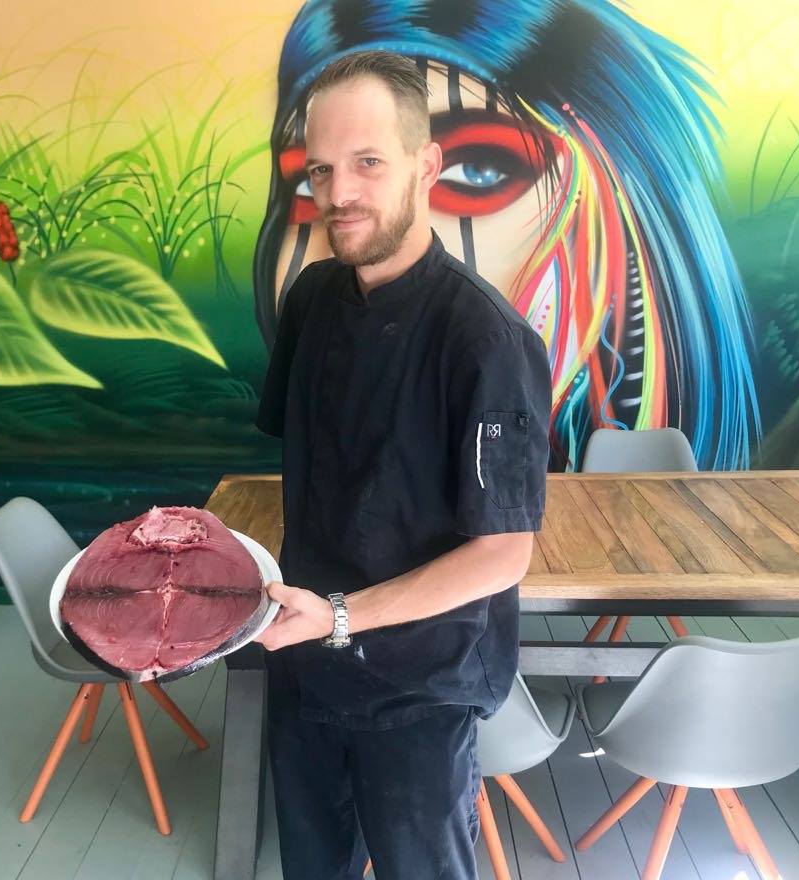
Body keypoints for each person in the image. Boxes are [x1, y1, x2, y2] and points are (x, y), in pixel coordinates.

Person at [253, 51, 552, 880]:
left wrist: (341, 616)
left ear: (427, 165)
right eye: (321, 169)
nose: (338, 192)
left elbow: (504, 553)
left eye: (368, 163)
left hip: (422, 687)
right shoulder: (310, 300)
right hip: (307, 661)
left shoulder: (485, 340)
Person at [253, 0, 761, 472]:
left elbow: (500, 536)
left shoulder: (487, 328)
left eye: (478, 167)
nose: (340, 197)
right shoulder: (312, 302)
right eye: (311, 176)